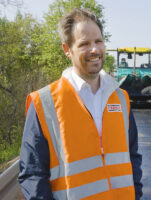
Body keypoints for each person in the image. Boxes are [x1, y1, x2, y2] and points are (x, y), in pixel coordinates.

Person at [18, 8, 142, 200]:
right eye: (84, 44)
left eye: (98, 41)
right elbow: (33, 174)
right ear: (67, 50)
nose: (95, 50)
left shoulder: (121, 97)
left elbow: (132, 156)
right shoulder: (44, 102)